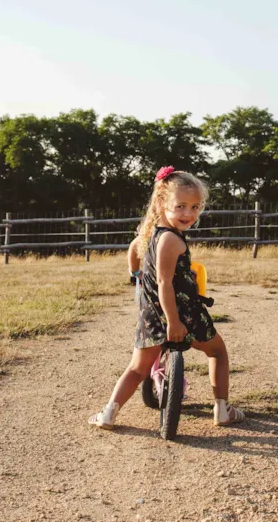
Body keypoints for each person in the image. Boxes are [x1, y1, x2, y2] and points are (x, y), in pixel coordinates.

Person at [89, 166, 245, 429]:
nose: (189, 214)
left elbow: (133, 249)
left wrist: (135, 272)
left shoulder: (149, 233)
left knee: (137, 369)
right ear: (162, 203)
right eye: (181, 206)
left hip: (151, 315)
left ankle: (108, 414)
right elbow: (165, 282)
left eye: (195, 207)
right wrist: (173, 321)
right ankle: (222, 409)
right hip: (181, 313)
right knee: (217, 352)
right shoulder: (171, 239)